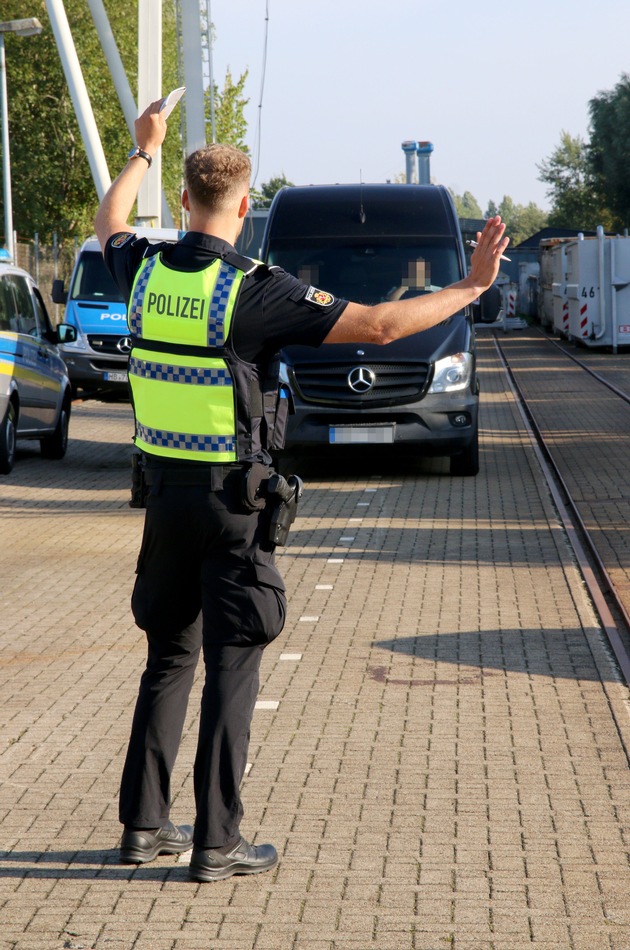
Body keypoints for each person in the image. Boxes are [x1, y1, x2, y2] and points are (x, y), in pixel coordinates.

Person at [94, 99, 508, 884]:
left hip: (164, 501)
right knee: (235, 663)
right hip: (233, 504)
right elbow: (384, 327)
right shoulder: (254, 289)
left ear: (184, 199)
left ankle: (141, 828)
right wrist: (469, 286)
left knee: (167, 662)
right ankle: (218, 842)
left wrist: (143, 148)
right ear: (245, 208)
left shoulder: (142, 270)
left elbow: (108, 217)